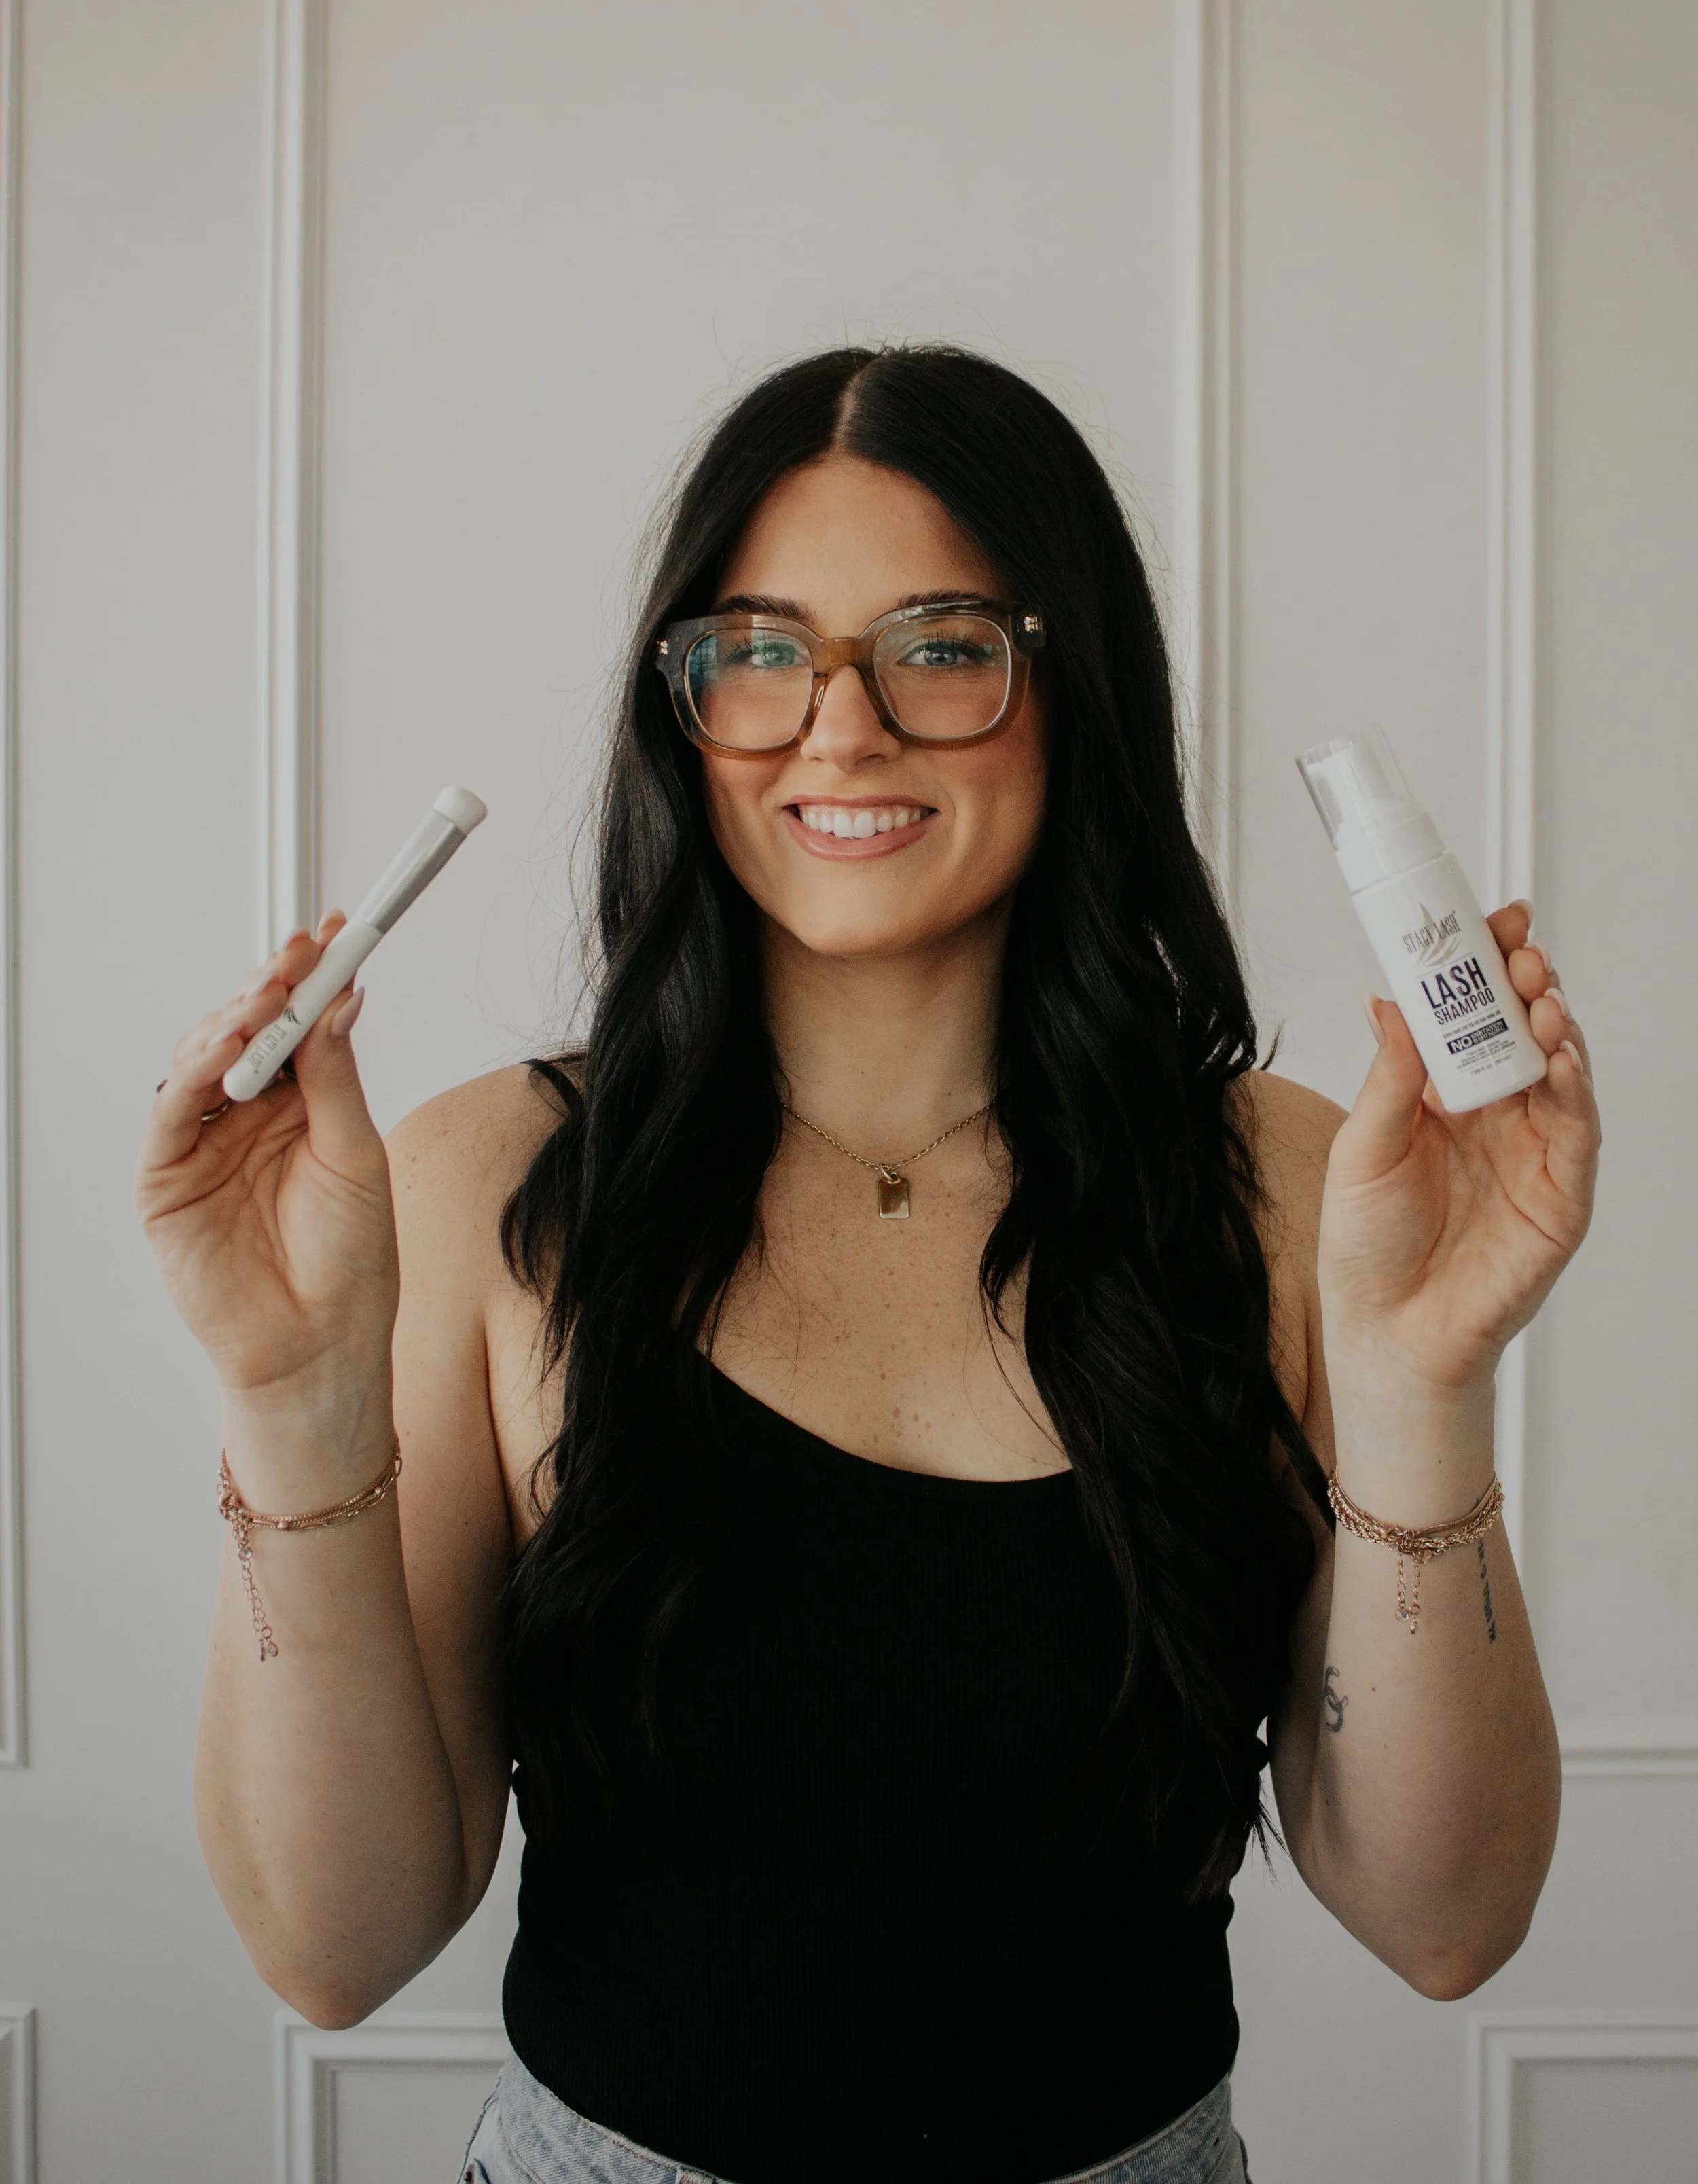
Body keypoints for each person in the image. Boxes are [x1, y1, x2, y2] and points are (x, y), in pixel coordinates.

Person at [138, 346, 1598, 2184]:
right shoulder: (483, 1189)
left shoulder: (1294, 1187)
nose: (836, 725)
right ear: (683, 711)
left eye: (936, 641)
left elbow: (1442, 1919)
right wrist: (287, 1398)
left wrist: (1427, 1381)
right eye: (755, 649)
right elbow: (330, 1949)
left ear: (1072, 686)